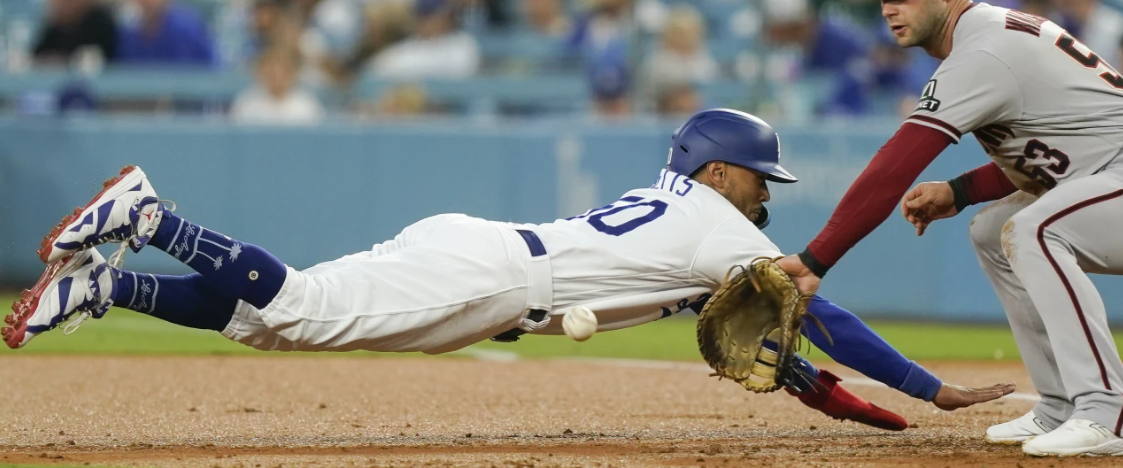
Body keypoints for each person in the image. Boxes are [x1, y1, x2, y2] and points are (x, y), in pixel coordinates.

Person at [6, 109, 1012, 430]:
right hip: (491, 282)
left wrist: (876, 421)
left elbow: (787, 356)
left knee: (265, 320)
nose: (767, 195)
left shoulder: (686, 220)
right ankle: (153, 215)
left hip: (481, 261)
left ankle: (105, 285)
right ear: (718, 169)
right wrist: (929, 392)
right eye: (760, 178)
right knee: (300, 305)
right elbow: (817, 319)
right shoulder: (717, 223)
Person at [775, 0, 1123, 458]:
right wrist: (962, 191)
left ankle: (1111, 414)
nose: (890, 8)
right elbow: (1056, 154)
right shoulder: (987, 38)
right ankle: (1061, 403)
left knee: (1033, 229)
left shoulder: (983, 50)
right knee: (994, 231)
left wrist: (817, 258)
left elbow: (895, 164)